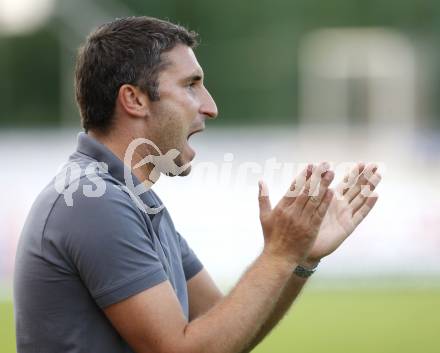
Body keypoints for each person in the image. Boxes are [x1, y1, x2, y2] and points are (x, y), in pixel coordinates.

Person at [13, 16, 382, 353]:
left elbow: (226, 334)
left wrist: (301, 257)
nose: (210, 106)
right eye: (191, 86)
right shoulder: (93, 200)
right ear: (135, 99)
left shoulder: (132, 198)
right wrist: (281, 253)